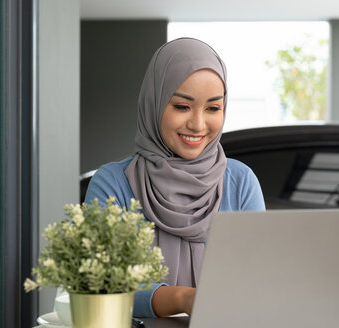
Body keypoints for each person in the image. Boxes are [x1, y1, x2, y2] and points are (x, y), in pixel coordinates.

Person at [85, 37, 265, 318]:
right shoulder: (113, 184)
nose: (198, 124)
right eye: (182, 106)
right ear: (154, 103)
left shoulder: (240, 182)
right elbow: (102, 286)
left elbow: (260, 281)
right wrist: (182, 298)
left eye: (213, 108)